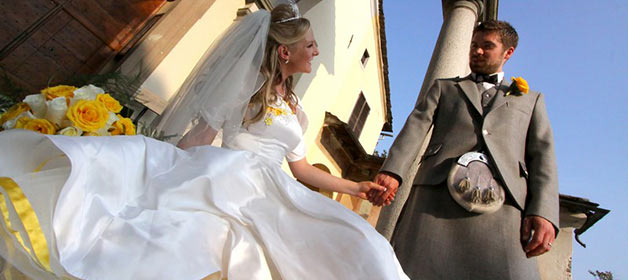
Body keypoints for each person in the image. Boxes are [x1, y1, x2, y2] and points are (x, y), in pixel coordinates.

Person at [0, 4, 409, 280]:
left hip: (275, 185)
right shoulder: (248, 89)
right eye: (310, 45)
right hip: (233, 174)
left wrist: (358, 187)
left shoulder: (297, 108)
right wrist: (163, 168)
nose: (317, 51)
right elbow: (204, 134)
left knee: (360, 244)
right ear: (285, 53)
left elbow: (301, 169)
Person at [369, 20, 559, 279]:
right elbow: (414, 130)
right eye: (473, 45)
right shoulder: (445, 87)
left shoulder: (530, 99)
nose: (477, 51)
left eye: (487, 46)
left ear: (508, 52)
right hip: (434, 196)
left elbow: (542, 157)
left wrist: (544, 212)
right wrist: (393, 172)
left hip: (504, 207)